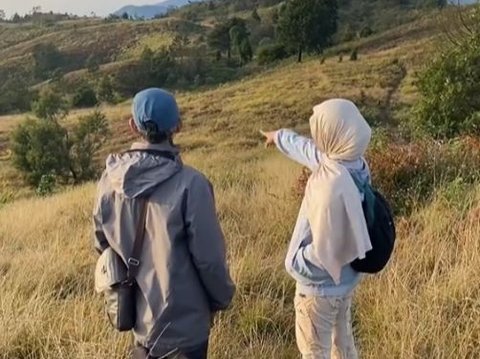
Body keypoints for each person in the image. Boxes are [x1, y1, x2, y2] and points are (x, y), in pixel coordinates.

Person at [93, 88, 235, 359]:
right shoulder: (192, 184)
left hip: (137, 322)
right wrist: (223, 298)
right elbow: (209, 260)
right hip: (186, 328)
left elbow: (102, 247)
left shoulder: (108, 181)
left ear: (133, 126)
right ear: (177, 126)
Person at [261, 99, 372, 359]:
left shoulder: (332, 185)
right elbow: (310, 151)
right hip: (345, 283)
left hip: (319, 290)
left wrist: (293, 262)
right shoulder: (354, 165)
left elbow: (327, 249)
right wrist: (279, 137)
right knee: (343, 349)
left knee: (315, 353)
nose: (317, 140)